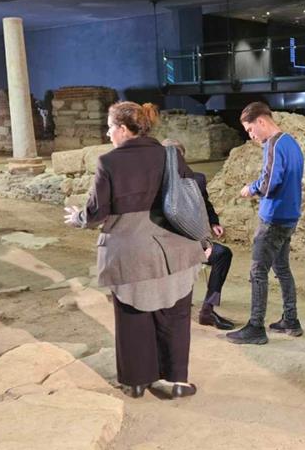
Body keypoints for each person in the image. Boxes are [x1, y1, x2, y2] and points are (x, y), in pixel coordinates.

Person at [64, 102, 202, 399]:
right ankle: (177, 382)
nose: (108, 133)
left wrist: (78, 218)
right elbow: (193, 196)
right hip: (177, 250)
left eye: (110, 127)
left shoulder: (109, 162)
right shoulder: (170, 154)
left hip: (131, 252)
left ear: (124, 129)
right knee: (175, 318)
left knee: (133, 319)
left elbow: (97, 212)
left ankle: (137, 382)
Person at [226, 102, 305, 345]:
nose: (251, 135)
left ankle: (255, 327)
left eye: (250, 129)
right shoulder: (291, 142)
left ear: (261, 121)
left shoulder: (273, 144)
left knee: (258, 271)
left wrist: (251, 189)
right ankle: (290, 320)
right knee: (282, 268)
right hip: (289, 216)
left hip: (273, 218)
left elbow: (270, 183)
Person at [161, 139, 235, 330]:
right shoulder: (156, 184)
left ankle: (208, 310)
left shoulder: (197, 179)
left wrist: (214, 222)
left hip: (195, 243)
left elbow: (204, 204)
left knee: (223, 254)